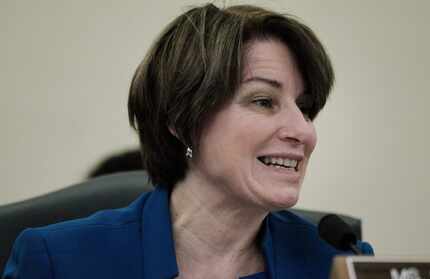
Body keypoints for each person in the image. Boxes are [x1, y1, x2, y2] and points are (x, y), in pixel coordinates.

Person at [2, 3, 373, 279]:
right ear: (182, 120)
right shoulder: (59, 260)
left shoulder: (337, 262)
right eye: (263, 101)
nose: (304, 131)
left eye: (305, 108)